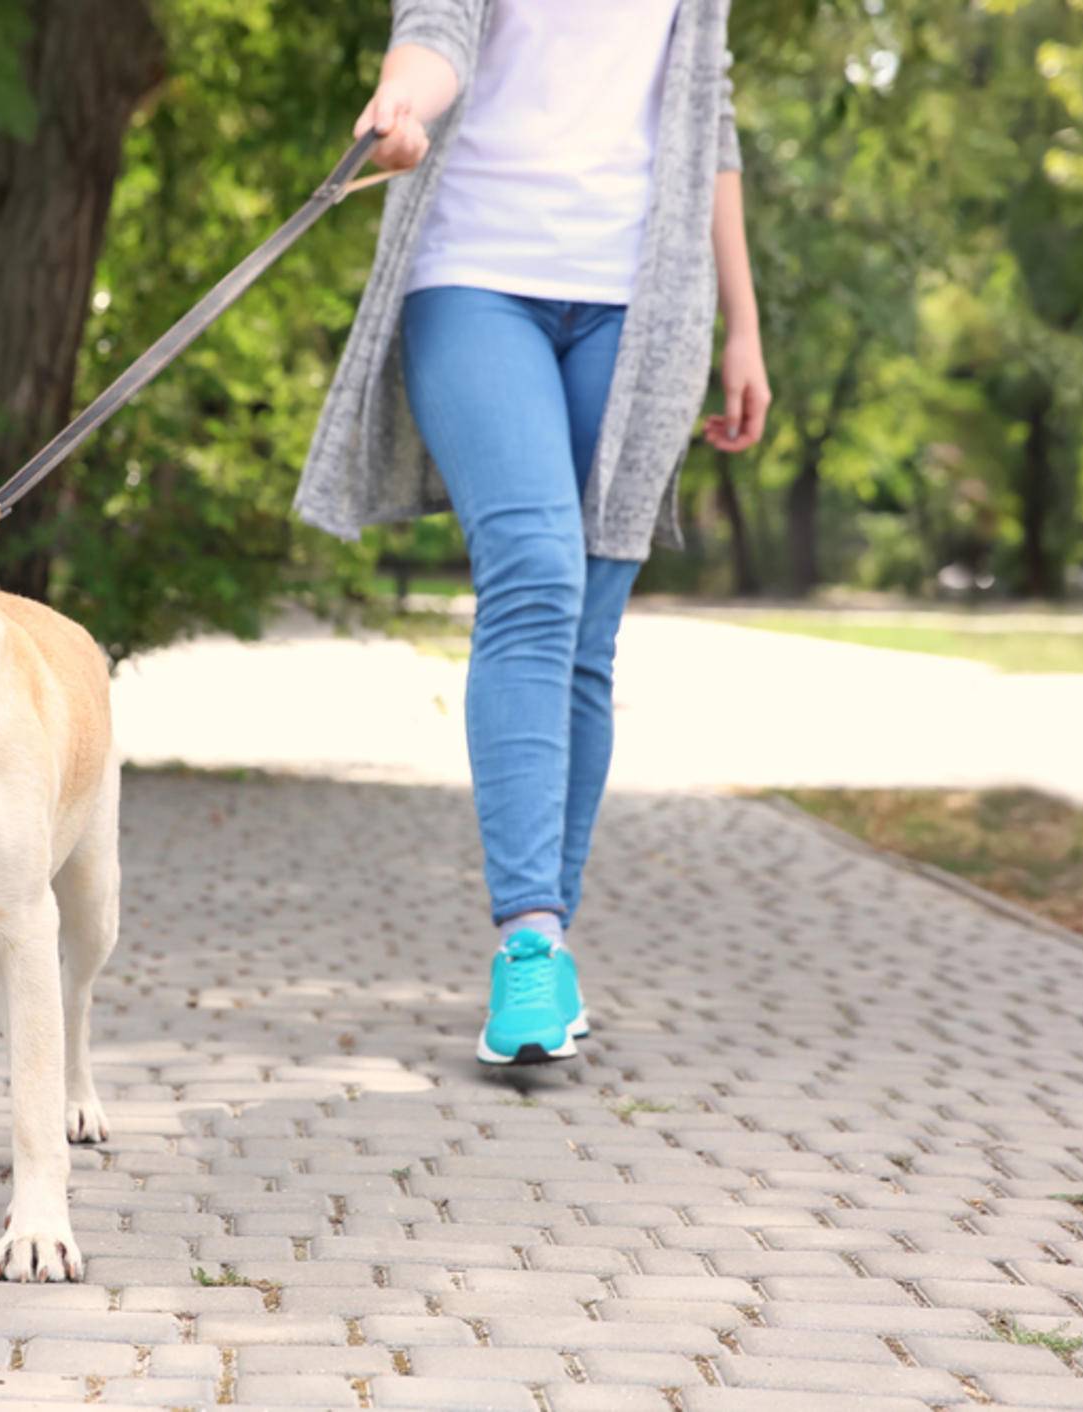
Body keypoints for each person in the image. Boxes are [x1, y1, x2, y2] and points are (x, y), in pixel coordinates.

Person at [295, 0, 771, 1065]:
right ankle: (526, 940)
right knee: (533, 576)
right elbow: (435, 30)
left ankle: (549, 944)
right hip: (473, 276)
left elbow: (707, 114)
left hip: (640, 306)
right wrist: (401, 106)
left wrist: (742, 325)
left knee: (586, 637)